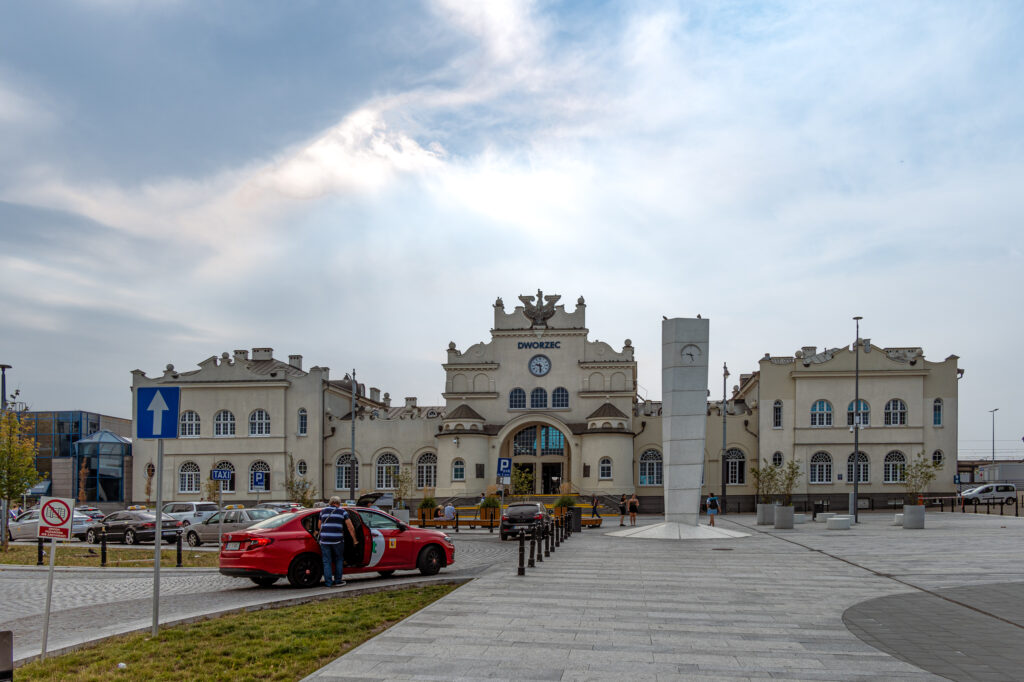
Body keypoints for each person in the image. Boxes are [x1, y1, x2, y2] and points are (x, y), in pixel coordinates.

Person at [319, 496, 358, 587]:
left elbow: (319, 526)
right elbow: (350, 527)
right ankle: (338, 581)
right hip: (337, 540)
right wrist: (354, 539)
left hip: (324, 540)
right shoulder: (342, 512)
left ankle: (328, 583)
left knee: (326, 561)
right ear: (338, 503)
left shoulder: (323, 511)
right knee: (339, 559)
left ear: (330, 502)